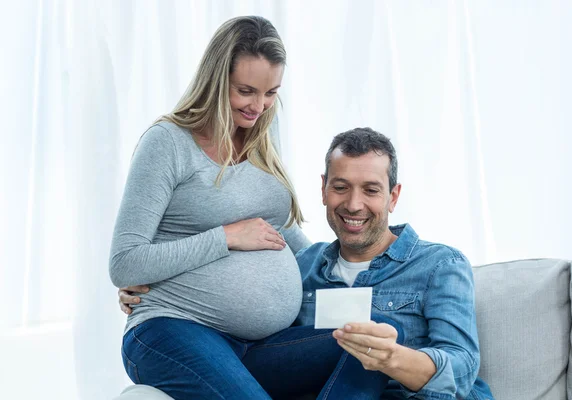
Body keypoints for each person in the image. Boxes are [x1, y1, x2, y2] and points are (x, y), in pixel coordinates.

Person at [110, 16, 395, 400]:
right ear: (215, 80)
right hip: (172, 327)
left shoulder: (262, 129)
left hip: (256, 346)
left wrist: (335, 265)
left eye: (270, 93)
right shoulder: (167, 144)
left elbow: (275, 227)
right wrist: (226, 237)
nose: (258, 106)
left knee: (373, 341)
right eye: (245, 91)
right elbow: (125, 263)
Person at [121, 127, 495, 399]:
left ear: (394, 196)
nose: (353, 204)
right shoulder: (302, 266)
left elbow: (461, 370)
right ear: (322, 189)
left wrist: (392, 359)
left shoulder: (438, 265)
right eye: (341, 187)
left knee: (372, 335)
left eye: (371, 190)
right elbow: (242, 316)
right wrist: (153, 288)